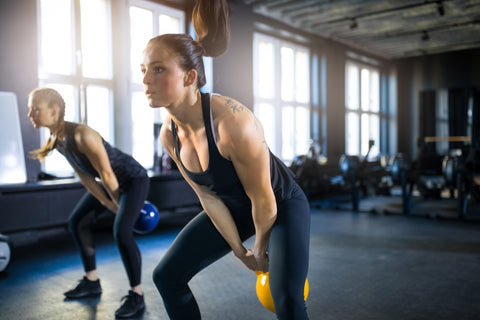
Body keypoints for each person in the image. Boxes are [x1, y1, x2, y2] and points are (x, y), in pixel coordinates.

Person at [142, 0, 311, 319]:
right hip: (234, 206)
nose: (146, 80)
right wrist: (239, 250)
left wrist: (259, 251)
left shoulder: (233, 124)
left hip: (281, 203)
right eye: (144, 70)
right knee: (167, 277)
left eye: (159, 69)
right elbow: (208, 196)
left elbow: (264, 201)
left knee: (286, 298)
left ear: (190, 77)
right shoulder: (169, 136)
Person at [27, 87, 150, 319]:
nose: (30, 114)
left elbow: (107, 174)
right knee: (77, 221)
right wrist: (106, 203)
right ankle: (92, 281)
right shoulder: (57, 139)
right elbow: (85, 176)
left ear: (53, 110)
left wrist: (116, 206)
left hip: (133, 179)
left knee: (122, 233)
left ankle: (137, 295)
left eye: (35, 109)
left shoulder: (82, 134)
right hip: (108, 182)